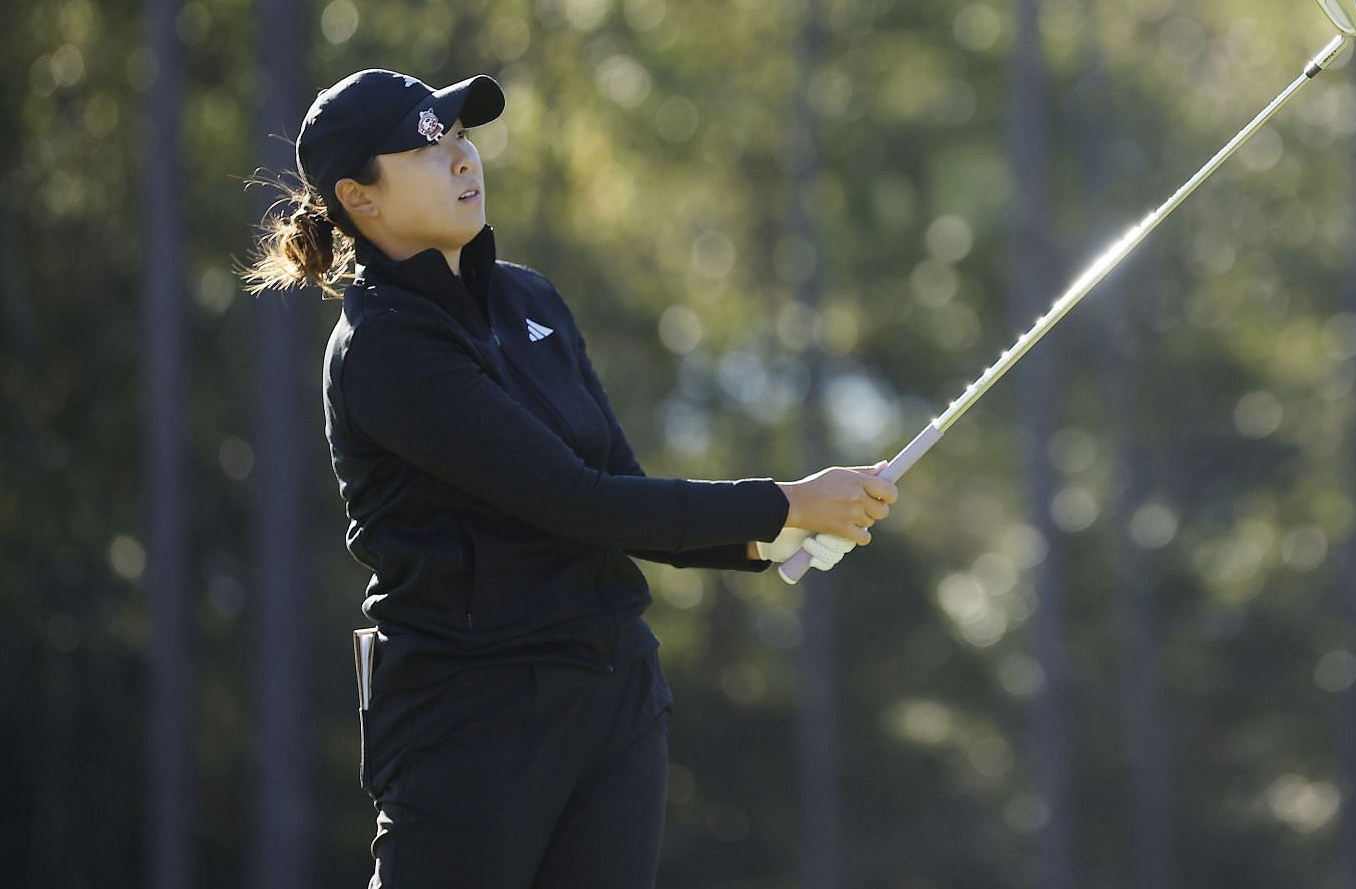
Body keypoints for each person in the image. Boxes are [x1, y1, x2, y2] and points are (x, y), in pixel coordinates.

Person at [239, 67, 897, 888]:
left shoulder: (530, 300)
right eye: (424, 146)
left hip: (613, 695)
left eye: (461, 137)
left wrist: (785, 533)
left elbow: (621, 487)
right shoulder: (384, 347)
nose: (462, 160)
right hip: (470, 718)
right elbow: (577, 502)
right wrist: (786, 502)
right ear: (359, 197)